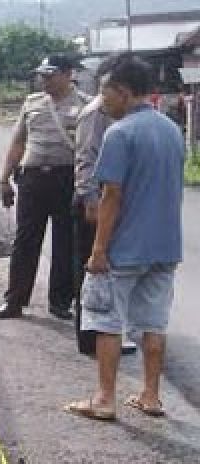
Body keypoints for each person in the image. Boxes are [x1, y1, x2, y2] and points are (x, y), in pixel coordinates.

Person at [64, 54, 186, 422]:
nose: (103, 103)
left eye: (105, 94)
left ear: (122, 91)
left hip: (125, 247)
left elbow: (111, 196)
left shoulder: (119, 134)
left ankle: (104, 398)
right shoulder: (170, 129)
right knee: (153, 323)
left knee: (105, 320)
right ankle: (151, 396)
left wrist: (98, 250)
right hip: (165, 246)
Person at [0, 54, 90, 320]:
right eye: (42, 75)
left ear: (68, 74)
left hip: (67, 180)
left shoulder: (86, 105)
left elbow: (89, 150)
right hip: (33, 179)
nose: (44, 80)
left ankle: (60, 301)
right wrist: (5, 179)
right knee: (25, 240)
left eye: (50, 75)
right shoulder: (32, 103)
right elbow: (18, 142)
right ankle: (15, 299)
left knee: (65, 242)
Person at [73, 59, 138, 358]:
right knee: (93, 270)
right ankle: (92, 340)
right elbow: (86, 159)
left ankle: (104, 336)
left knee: (105, 270)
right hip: (96, 201)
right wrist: (89, 200)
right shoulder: (96, 113)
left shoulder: (119, 115)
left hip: (107, 200)